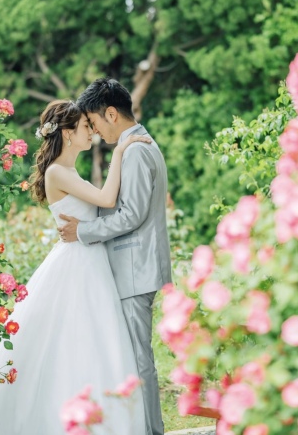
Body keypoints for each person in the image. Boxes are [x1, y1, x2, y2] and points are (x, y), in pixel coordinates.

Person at [0, 99, 150, 435]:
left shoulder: (71, 172)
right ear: (66, 133)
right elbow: (107, 199)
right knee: (70, 339)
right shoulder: (57, 172)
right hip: (76, 264)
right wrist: (120, 152)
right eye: (85, 127)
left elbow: (104, 205)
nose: (91, 131)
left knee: (90, 340)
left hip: (89, 261)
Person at [58, 77, 172, 435]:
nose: (92, 129)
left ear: (111, 113)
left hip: (135, 268)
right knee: (132, 358)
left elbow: (132, 215)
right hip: (132, 267)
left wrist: (83, 231)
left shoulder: (136, 149)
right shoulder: (134, 145)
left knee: (140, 361)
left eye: (93, 121)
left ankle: (152, 431)